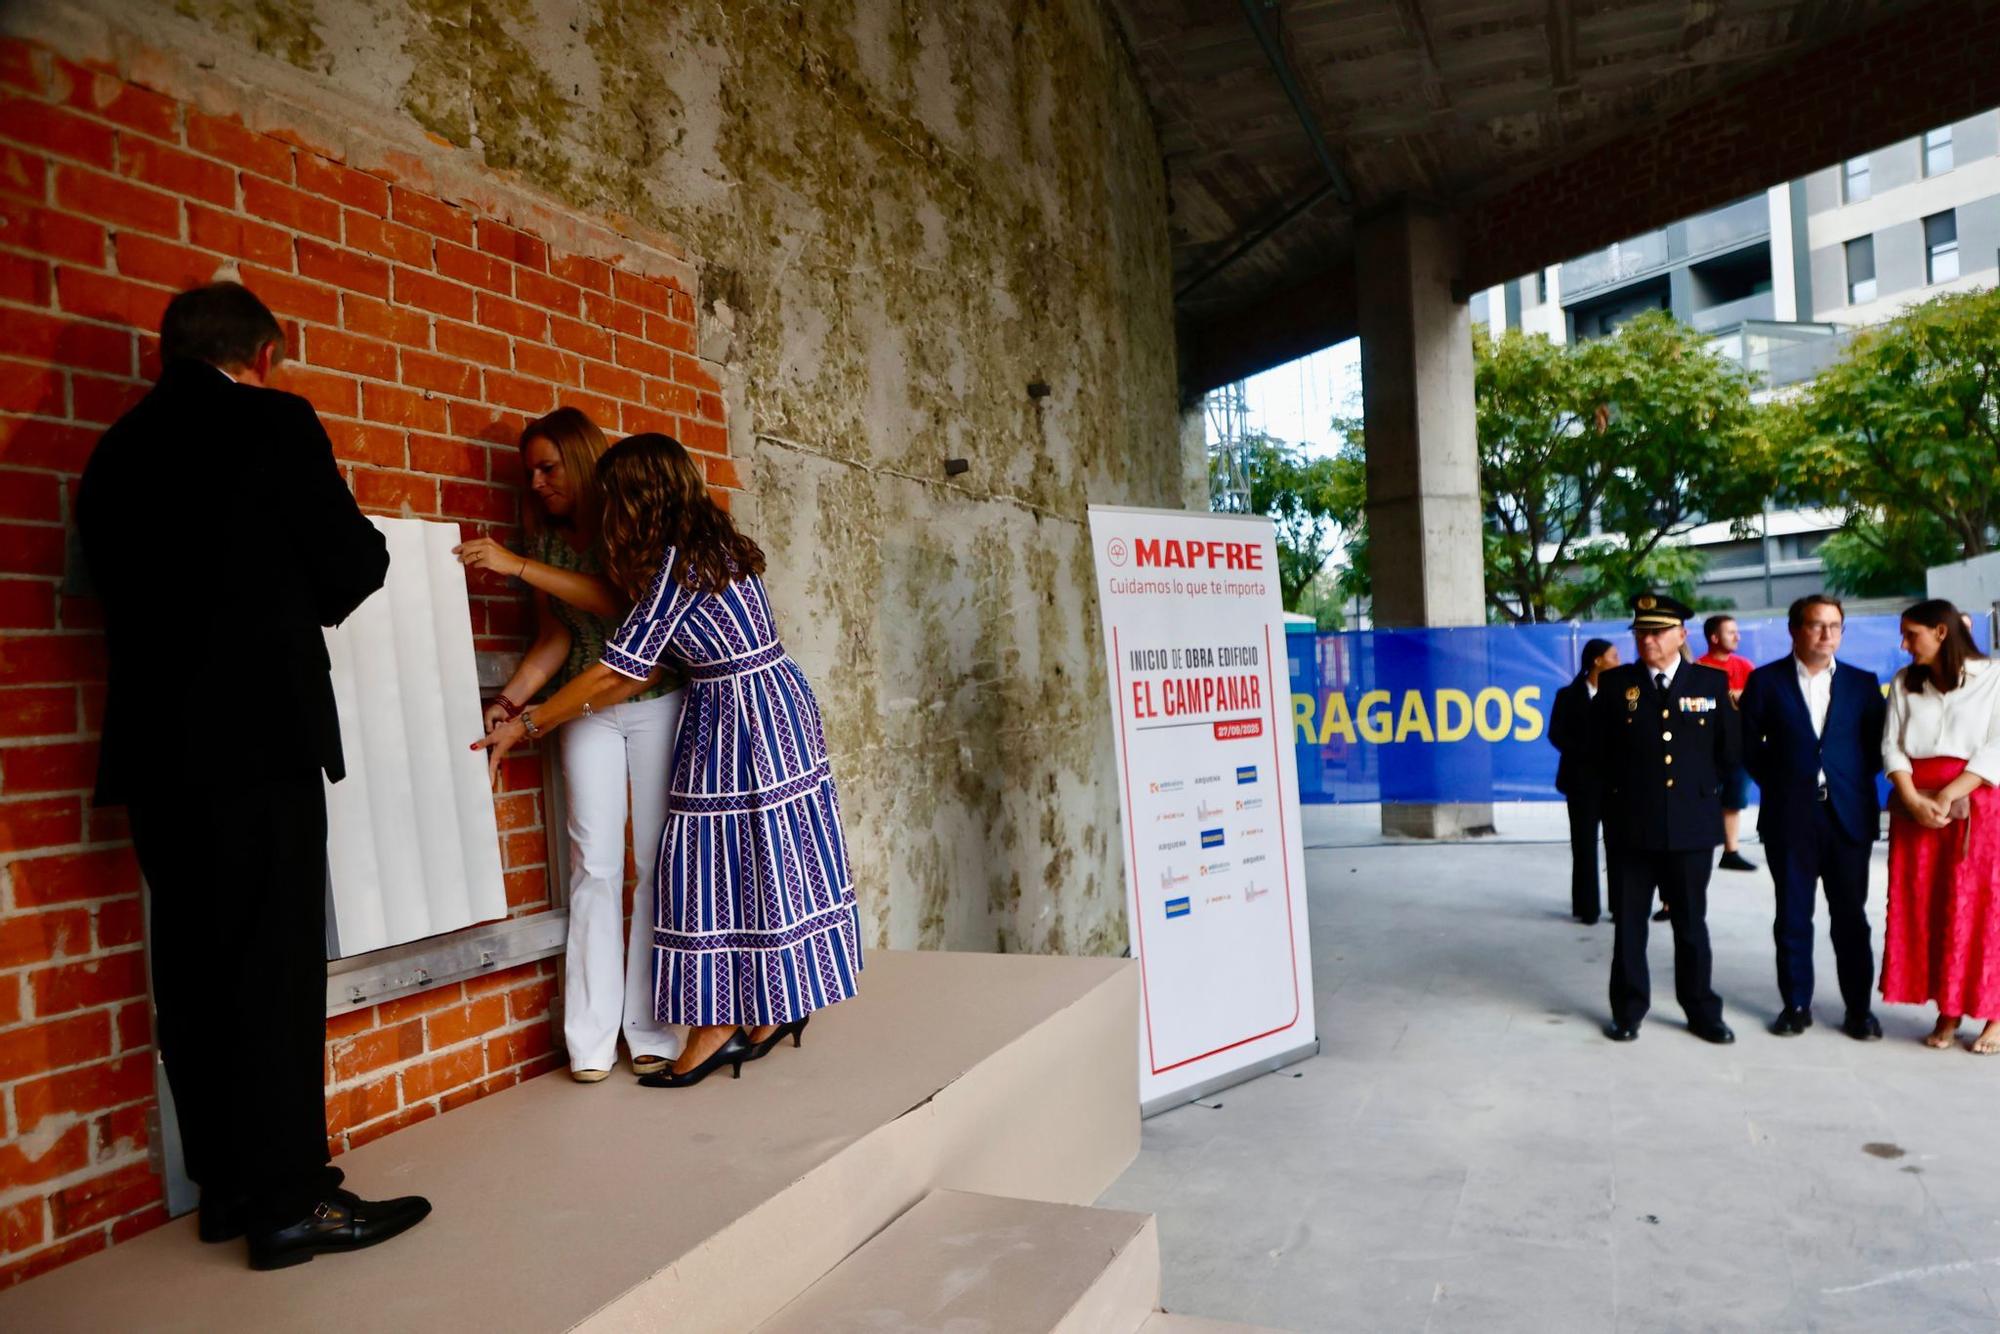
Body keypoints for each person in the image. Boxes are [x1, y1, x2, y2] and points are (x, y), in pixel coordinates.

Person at [76, 282, 431, 1269]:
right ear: (262, 355)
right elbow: (353, 562)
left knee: (192, 971)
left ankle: (229, 1190)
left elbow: (105, 585)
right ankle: (289, 1204)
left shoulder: (114, 452)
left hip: (155, 754)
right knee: (273, 969)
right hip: (259, 740)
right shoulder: (275, 423)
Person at [475, 433, 861, 1086]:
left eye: (614, 497)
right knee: (765, 856)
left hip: (737, 710)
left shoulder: (675, 568)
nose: (607, 508)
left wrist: (531, 722)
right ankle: (772, 1009)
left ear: (638, 497)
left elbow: (617, 672)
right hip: (766, 701)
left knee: (712, 866)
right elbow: (622, 664)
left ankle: (716, 1026)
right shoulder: (709, 545)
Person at [453, 408, 687, 1082]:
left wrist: (519, 567)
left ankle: (652, 1030)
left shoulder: (625, 527)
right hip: (581, 709)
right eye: (530, 471)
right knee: (594, 865)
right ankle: (589, 1040)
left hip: (651, 698)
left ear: (581, 461)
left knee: (655, 862)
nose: (537, 482)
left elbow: (620, 602)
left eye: (548, 467)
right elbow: (556, 638)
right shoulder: (546, 543)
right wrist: (507, 704)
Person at [1590, 592, 1739, 1045]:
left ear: (1681, 635)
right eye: (1641, 632)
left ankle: (1701, 1010)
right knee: (1629, 926)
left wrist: (1700, 793)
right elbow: (1598, 753)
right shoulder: (1616, 685)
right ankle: (1628, 1010)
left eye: (1657, 632)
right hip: (1631, 827)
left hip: (1691, 827)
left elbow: (1729, 752)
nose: (1648, 640)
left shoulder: (1710, 683)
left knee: (1691, 925)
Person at [1739, 594, 1886, 1040]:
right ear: (1794, 630)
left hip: (1846, 817)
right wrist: (1785, 781)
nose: (1827, 634)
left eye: (1835, 626)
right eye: (1817, 625)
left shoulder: (1862, 683)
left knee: (1851, 918)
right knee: (1792, 916)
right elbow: (1748, 746)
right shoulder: (1766, 682)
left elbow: (1876, 748)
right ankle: (1796, 1005)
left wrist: (1843, 780)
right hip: (1790, 817)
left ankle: (1859, 1010)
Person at [1880, 598, 2000, 1054]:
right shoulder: (1905, 682)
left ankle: (1994, 1012)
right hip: (1917, 810)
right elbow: (1891, 745)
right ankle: (1949, 1007)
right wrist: (1913, 798)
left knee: (1982, 908)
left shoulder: (1993, 678)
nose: (1905, 644)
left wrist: (1950, 794)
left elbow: (1996, 746)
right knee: (1929, 907)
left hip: (1978, 807)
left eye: (1912, 634)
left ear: (1941, 632)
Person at [1550, 637, 1620, 924]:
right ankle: (1586, 907)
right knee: (1583, 846)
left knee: (1618, 847)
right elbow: (1556, 734)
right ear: (1597, 660)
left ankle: (1620, 906)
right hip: (1580, 782)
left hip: (1615, 783)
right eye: (1613, 657)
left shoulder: (1621, 694)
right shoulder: (1567, 695)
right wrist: (1584, 753)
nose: (1618, 662)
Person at [1697, 614, 1758, 872]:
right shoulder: (1698, 669)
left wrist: (1741, 696)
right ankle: (1698, 849)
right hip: (1705, 748)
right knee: (1702, 799)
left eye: (1737, 631)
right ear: (1714, 637)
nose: (1737, 637)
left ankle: (1730, 851)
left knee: (1734, 799)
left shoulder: (1745, 666)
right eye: (1730, 632)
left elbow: (1757, 700)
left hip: (1738, 746)